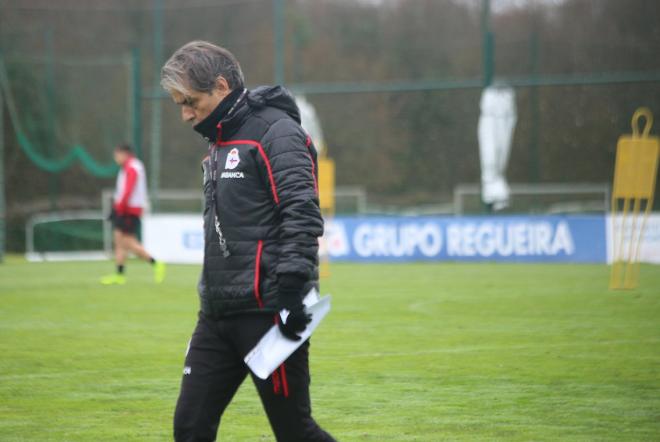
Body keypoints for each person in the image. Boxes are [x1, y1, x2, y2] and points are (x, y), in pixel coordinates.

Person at [161, 41, 335, 442]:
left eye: (190, 101)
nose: (186, 114)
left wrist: (291, 293)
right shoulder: (218, 140)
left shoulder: (278, 132)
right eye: (179, 105)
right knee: (189, 429)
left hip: (270, 313)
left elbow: (302, 213)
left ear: (221, 86)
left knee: (295, 432)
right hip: (217, 315)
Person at [100, 143, 166, 285]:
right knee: (119, 240)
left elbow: (128, 191)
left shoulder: (132, 167)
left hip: (129, 210)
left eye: (117, 155)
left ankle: (156, 263)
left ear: (124, 154)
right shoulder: (129, 167)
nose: (115, 158)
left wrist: (119, 208)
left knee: (127, 242)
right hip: (125, 208)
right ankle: (119, 274)